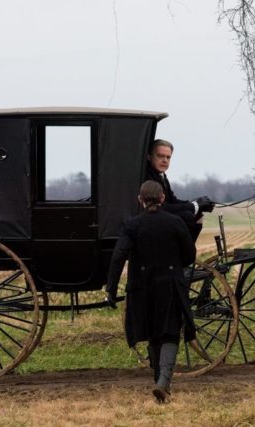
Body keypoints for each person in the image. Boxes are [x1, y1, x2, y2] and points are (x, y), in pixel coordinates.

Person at [105, 180, 197, 404]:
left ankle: (160, 383)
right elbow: (190, 256)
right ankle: (163, 381)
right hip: (170, 284)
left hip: (142, 287)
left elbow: (118, 257)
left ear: (140, 200)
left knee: (154, 334)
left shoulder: (131, 225)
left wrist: (111, 289)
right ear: (163, 199)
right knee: (170, 333)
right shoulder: (175, 222)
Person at [145, 139, 215, 241]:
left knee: (198, 215)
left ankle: (188, 252)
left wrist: (197, 204)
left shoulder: (161, 175)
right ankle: (182, 253)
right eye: (160, 156)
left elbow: (173, 200)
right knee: (187, 216)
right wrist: (193, 206)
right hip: (153, 218)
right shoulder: (149, 177)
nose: (165, 160)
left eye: (168, 157)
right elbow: (163, 206)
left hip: (162, 216)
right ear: (149, 157)